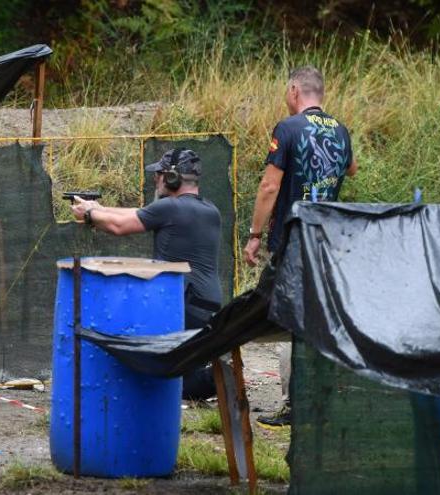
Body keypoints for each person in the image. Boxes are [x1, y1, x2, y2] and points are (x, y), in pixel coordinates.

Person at [244, 65, 357, 428]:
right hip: (329, 241)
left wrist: (255, 234)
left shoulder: (288, 128)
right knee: (319, 319)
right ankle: (321, 398)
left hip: (294, 240)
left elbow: (269, 188)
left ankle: (295, 404)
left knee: (286, 318)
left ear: (295, 90)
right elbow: (351, 169)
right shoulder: (341, 129)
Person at [71, 148, 222, 400]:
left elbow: (119, 226)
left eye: (160, 174)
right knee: (178, 373)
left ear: (172, 178)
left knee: (154, 376)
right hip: (206, 307)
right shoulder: (209, 209)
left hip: (182, 304)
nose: (156, 179)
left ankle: (215, 378)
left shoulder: (170, 208)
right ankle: (212, 373)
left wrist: (88, 215)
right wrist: (99, 207)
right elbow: (139, 213)